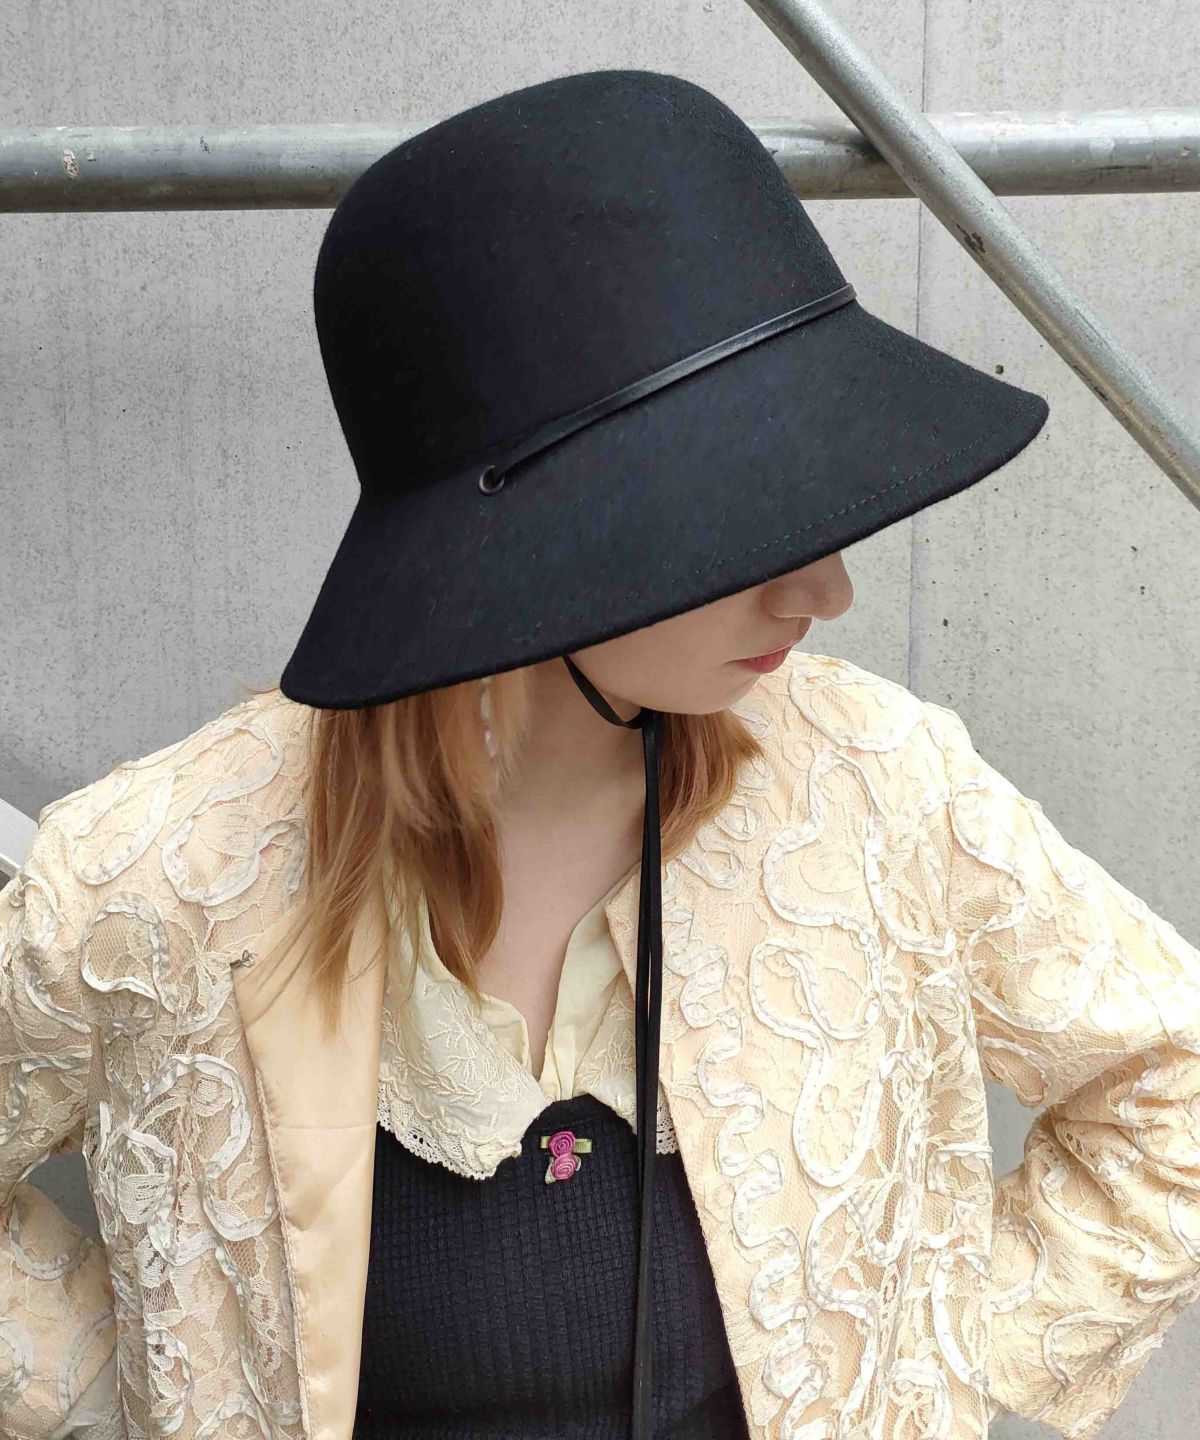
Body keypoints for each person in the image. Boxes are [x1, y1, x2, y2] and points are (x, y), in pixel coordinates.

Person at [4, 66, 1200, 1440]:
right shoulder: (161, 881)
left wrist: (928, 1365)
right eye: (747, 524)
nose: (826, 592)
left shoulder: (877, 790)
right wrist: (133, 1383)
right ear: (538, 546)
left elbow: (1175, 1078)